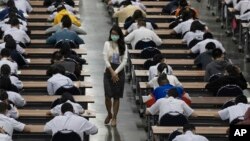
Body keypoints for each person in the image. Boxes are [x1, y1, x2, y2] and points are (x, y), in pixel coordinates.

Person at [103, 25, 128, 126]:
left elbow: (124, 61)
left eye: (116, 34)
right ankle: (109, 113)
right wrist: (112, 72)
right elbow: (105, 58)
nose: (114, 36)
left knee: (116, 97)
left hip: (119, 73)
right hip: (108, 72)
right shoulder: (107, 44)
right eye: (112, 34)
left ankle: (114, 117)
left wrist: (116, 72)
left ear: (119, 35)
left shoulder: (123, 46)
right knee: (107, 96)